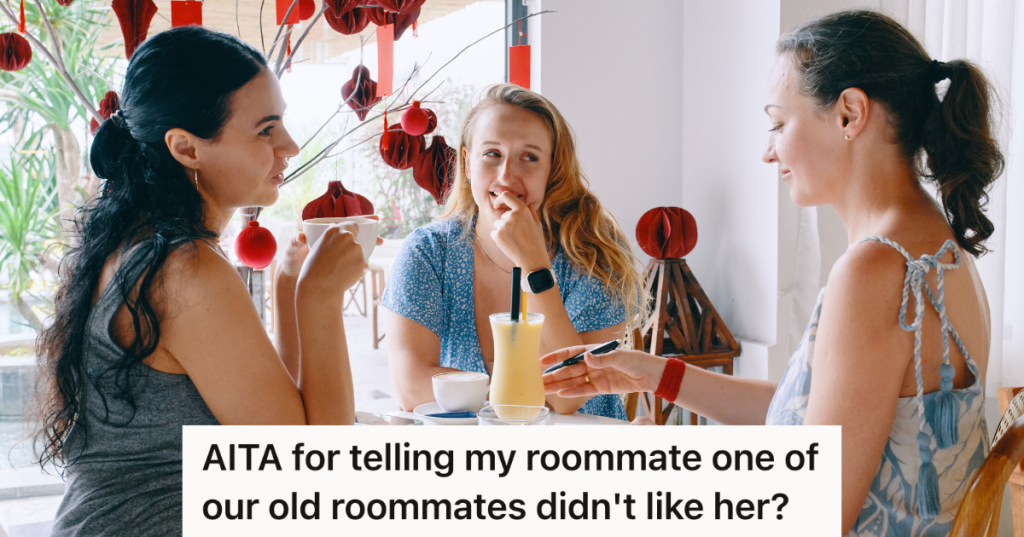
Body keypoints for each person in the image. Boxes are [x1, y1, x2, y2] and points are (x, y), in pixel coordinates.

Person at [541, 10, 999, 536]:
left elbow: (814, 514)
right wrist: (656, 374)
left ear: (849, 113)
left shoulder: (875, 269)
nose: (767, 150)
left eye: (779, 123)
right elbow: (812, 416)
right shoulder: (935, 247)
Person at [34, 27, 373, 536]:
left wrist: (286, 288)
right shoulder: (185, 269)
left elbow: (265, 417)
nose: (290, 145)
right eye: (266, 130)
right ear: (187, 149)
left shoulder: (140, 246)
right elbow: (312, 470)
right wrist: (320, 298)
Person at [383, 84, 644, 419]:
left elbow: (567, 397)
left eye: (530, 157)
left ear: (553, 169)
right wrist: (524, 394)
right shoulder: (428, 253)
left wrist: (533, 265)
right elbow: (410, 388)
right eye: (492, 154)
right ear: (466, 160)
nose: (506, 176)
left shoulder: (591, 252)